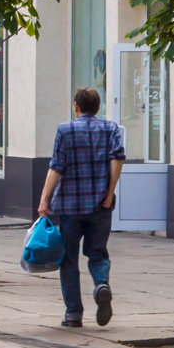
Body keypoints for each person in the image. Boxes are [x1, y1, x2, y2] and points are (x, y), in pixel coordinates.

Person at [38, 86, 126, 328]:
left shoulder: (65, 130)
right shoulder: (111, 129)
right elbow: (117, 158)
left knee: (68, 259)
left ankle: (74, 313)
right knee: (98, 253)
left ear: (76, 106)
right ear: (98, 108)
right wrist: (110, 191)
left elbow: (57, 166)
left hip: (69, 206)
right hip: (100, 204)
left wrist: (45, 199)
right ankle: (101, 284)